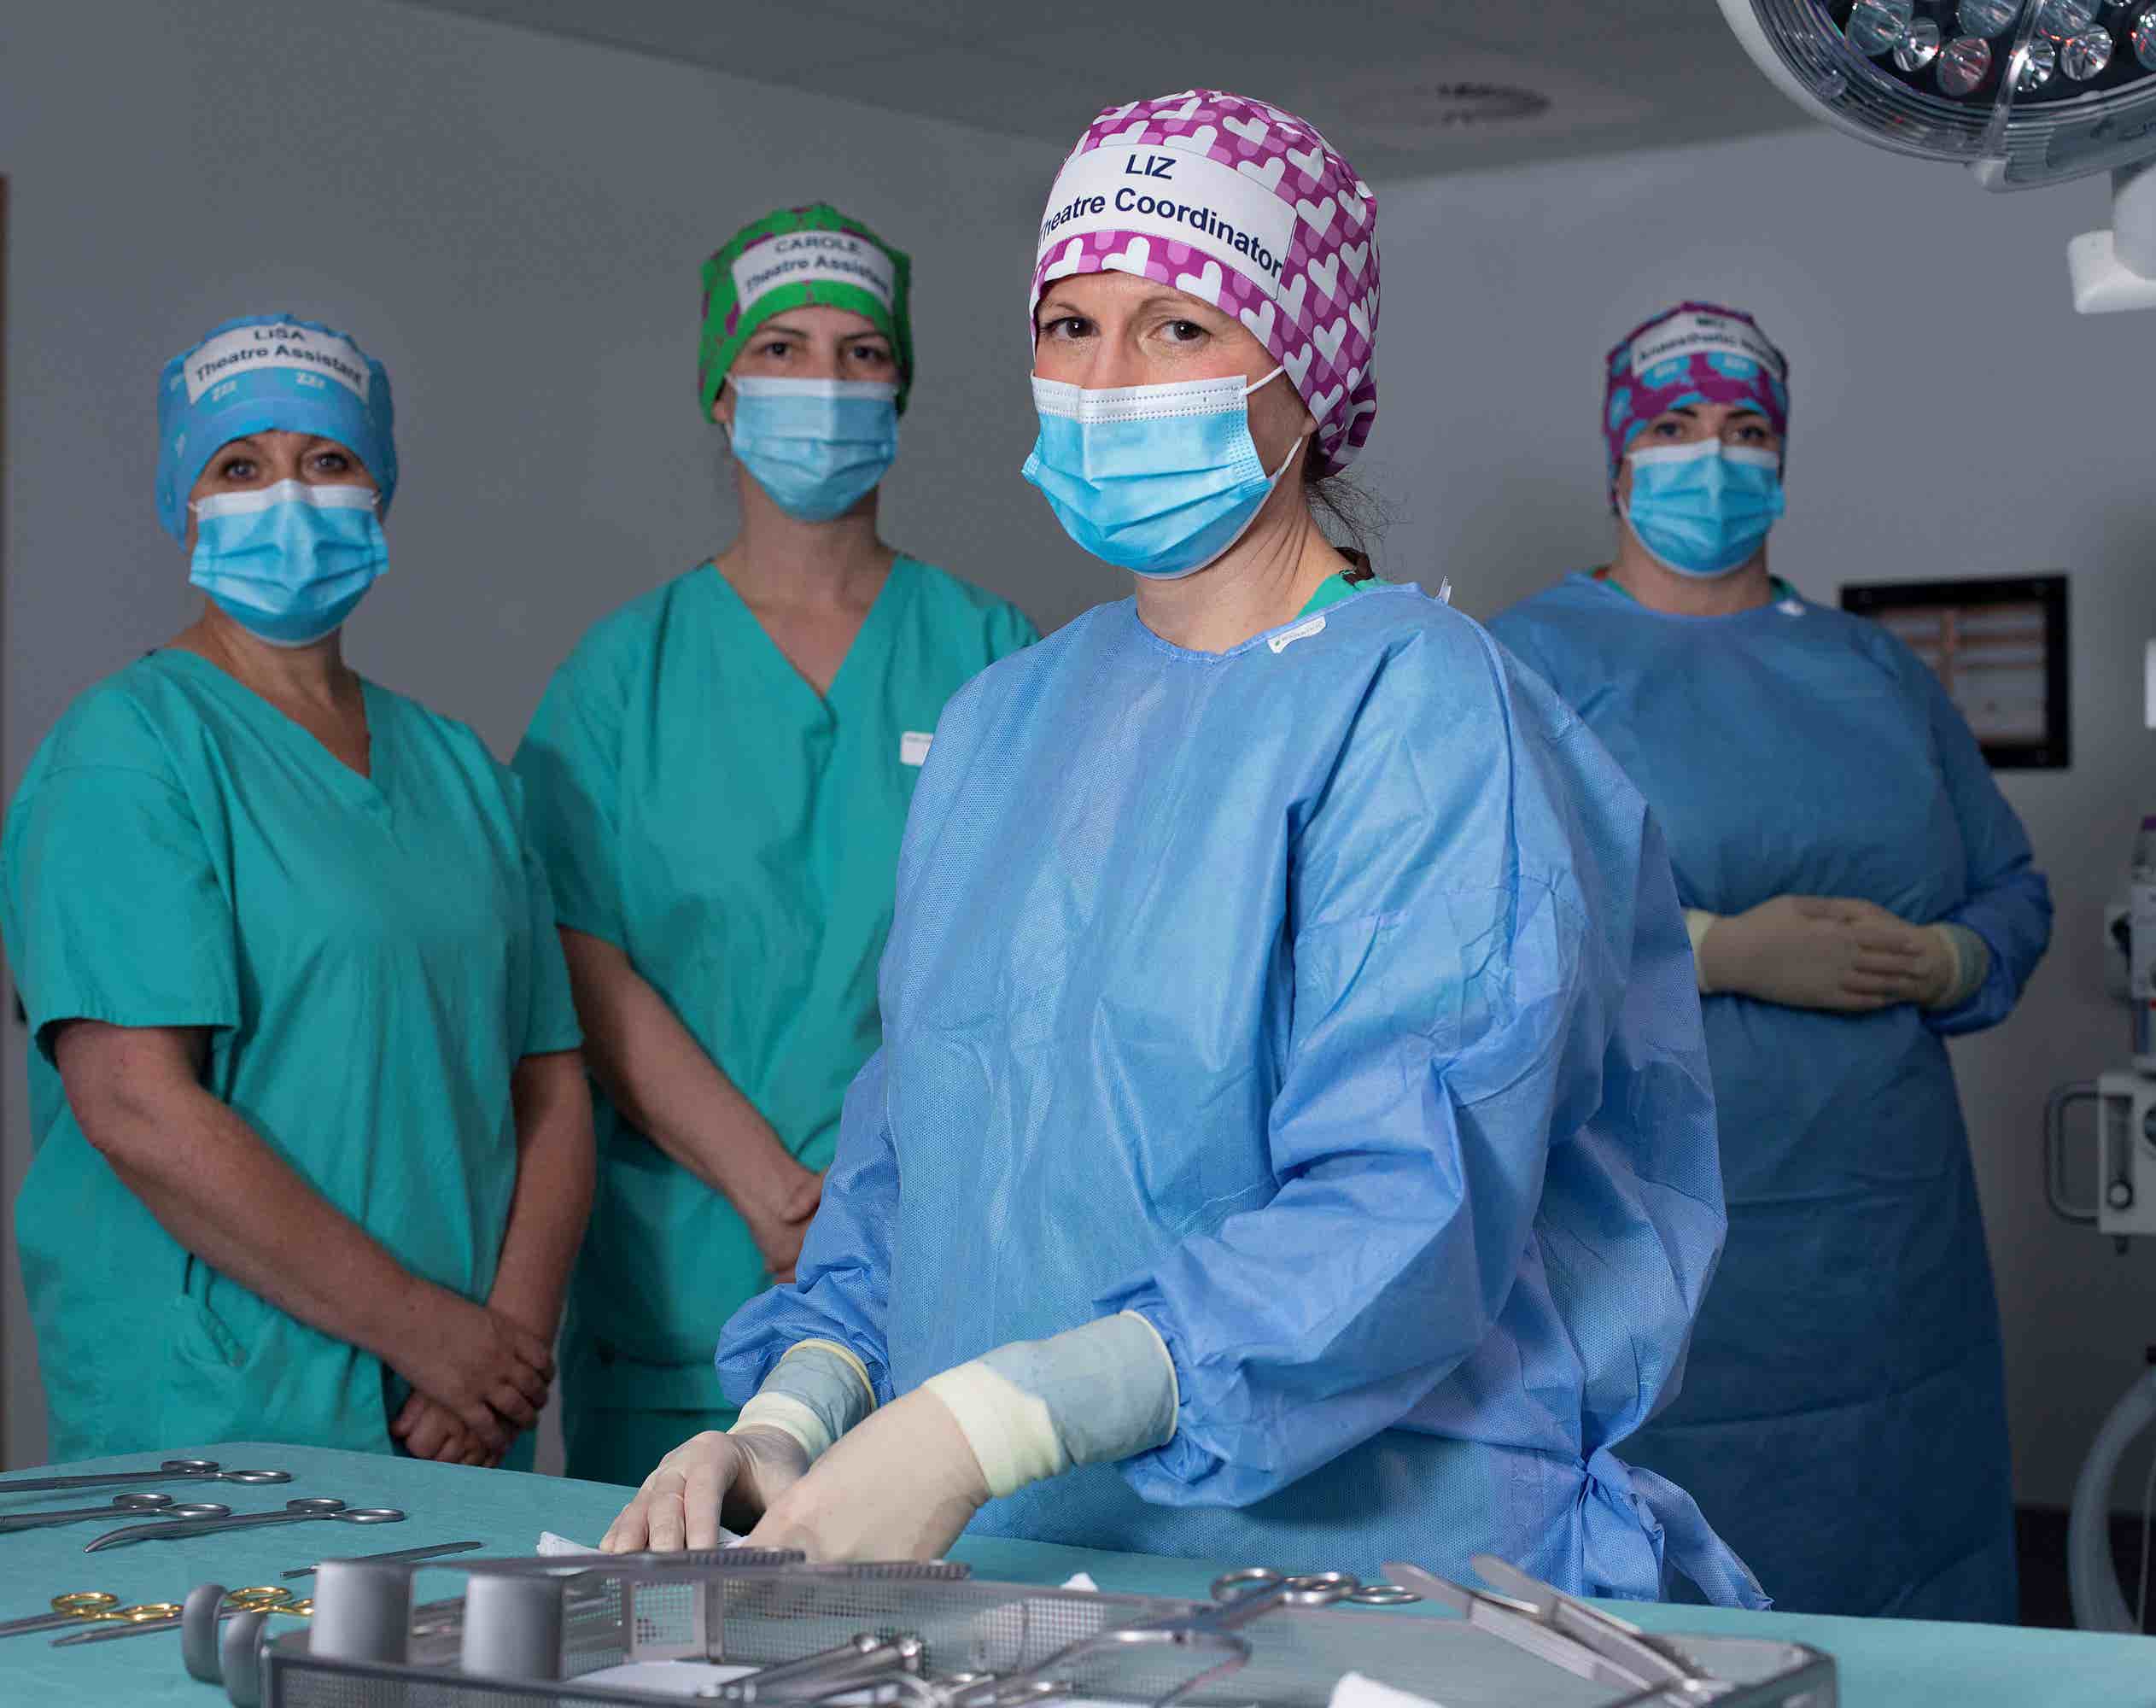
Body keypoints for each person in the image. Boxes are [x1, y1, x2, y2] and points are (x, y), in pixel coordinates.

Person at [598, 91, 1765, 1607]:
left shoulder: (1415, 707)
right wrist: (790, 1418)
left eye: (1180, 331)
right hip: (1017, 1580)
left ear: (1310, 369)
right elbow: (915, 1168)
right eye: (1071, 328)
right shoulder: (1010, 721)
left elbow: (1401, 1218)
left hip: (1351, 1582)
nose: (1107, 384)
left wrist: (981, 1424)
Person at [1489, 301, 2054, 1622]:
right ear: (1619, 460)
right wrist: (1716, 949)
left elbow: (2014, 888)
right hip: (1662, 1238)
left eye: (1747, 431)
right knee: (1676, 1599)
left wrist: (1950, 960)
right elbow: (1482, 926)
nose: (1716, 457)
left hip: (1888, 1247)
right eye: (1678, 427)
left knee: (1907, 1562)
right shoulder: (1531, 664)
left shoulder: (1868, 668)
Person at [1, 313, 591, 1466]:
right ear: (185, 500)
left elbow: (551, 1083)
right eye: (240, 466)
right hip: (220, 1419)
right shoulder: (129, 754)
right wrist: (425, 1333)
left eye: (328, 462)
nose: (288, 497)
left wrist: (499, 1353)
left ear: (380, 491)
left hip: (456, 1424)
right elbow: (135, 1105)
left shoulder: (461, 771)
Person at [515, 205, 1041, 1486]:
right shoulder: (623, 678)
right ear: (722, 388)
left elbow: (1037, 961)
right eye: (786, 350)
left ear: (903, 386)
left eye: (863, 353)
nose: (826, 383)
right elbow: (579, 962)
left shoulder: (992, 657)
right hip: (685, 1292)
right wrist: (772, 1194)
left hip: (932, 1281)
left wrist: (861, 1221)